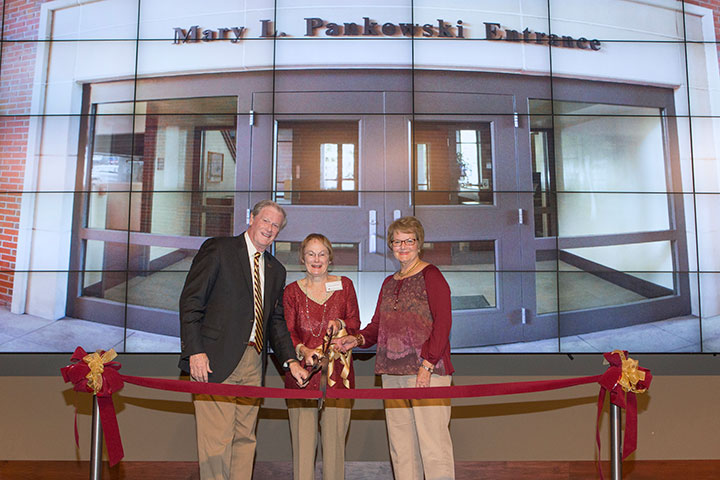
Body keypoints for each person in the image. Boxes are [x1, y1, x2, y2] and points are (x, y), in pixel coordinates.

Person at [179, 199, 308, 480]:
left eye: (276, 225)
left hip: (253, 361)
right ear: (251, 219)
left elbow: (275, 321)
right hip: (213, 359)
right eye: (266, 221)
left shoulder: (276, 269)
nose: (270, 228)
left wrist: (290, 361)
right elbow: (191, 302)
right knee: (217, 439)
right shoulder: (219, 249)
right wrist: (195, 352)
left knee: (246, 437)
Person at [334, 216, 455, 480]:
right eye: (396, 241)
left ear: (419, 243)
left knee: (434, 448)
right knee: (401, 449)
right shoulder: (388, 283)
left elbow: (443, 323)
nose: (402, 246)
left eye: (408, 240)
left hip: (427, 373)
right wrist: (355, 339)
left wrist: (427, 364)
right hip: (391, 375)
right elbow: (378, 326)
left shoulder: (431, 275)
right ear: (390, 245)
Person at [283, 233, 360, 480]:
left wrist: (340, 323)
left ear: (330, 257)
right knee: (303, 449)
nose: (317, 259)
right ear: (302, 258)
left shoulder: (345, 285)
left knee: (335, 447)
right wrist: (303, 351)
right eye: (311, 254)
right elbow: (286, 332)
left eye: (322, 254)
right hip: (302, 375)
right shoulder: (291, 292)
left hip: (338, 376)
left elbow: (356, 324)